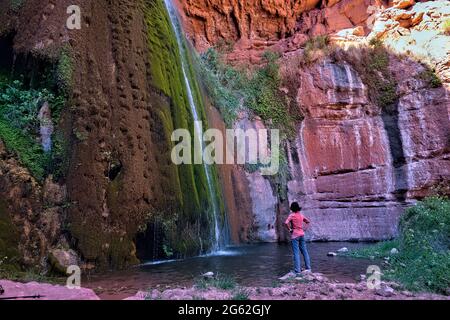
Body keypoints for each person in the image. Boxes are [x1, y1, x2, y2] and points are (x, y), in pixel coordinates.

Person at [284, 202, 311, 275]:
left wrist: (289, 229)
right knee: (304, 251)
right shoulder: (301, 215)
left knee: (296, 253)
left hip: (295, 235)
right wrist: (304, 229)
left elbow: (286, 223)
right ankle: (308, 268)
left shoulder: (292, 215)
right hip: (302, 234)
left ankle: (297, 271)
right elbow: (308, 222)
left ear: (292, 208)